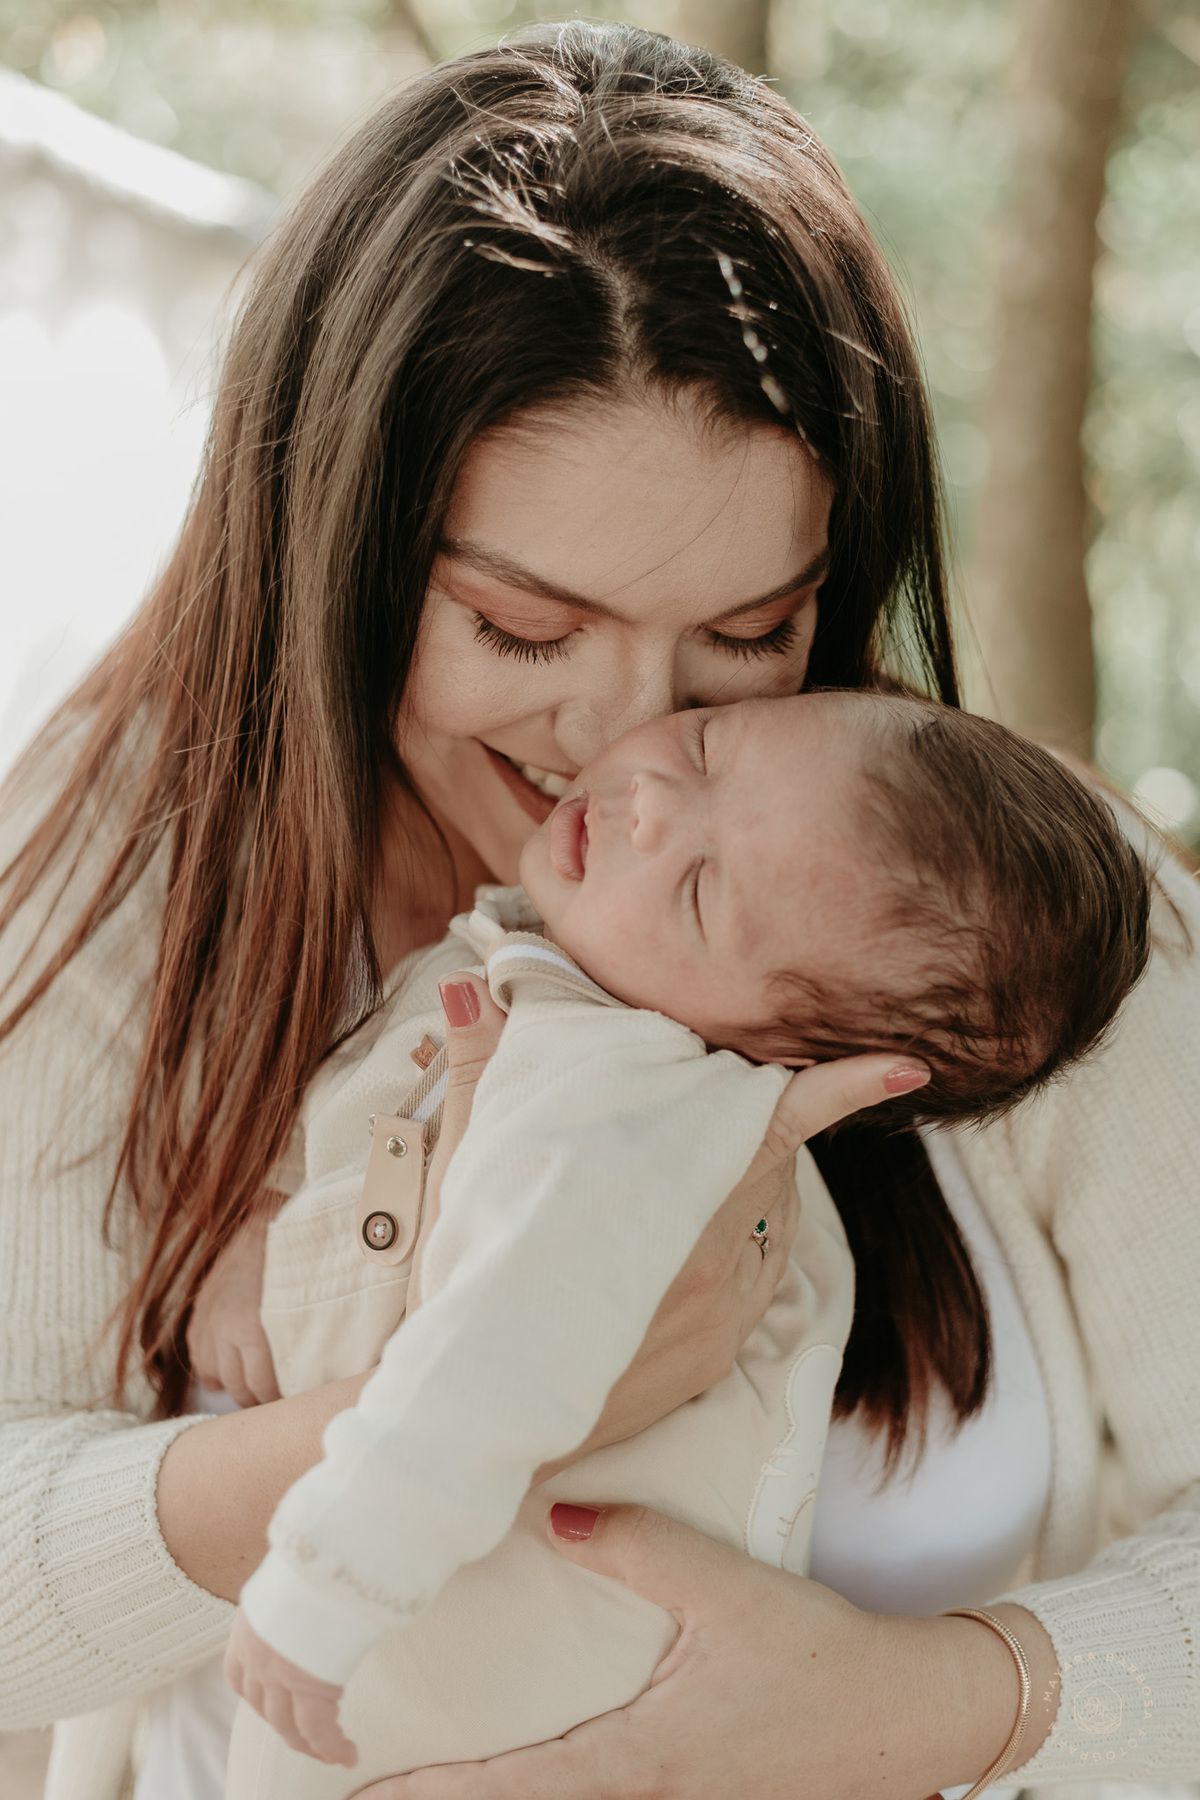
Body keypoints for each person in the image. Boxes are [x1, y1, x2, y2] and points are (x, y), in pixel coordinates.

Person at [0, 21, 1196, 1800]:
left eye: (749, 636)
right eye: (528, 635)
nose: (636, 742)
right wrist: (485, 1400)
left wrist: (929, 1708)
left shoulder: (990, 907)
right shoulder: (124, 884)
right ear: (334, 543)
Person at [217, 689, 1149, 1780]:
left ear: (788, 1056)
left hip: (503, 1701)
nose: (652, 806)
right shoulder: (550, 988)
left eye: (703, 894)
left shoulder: (622, 1104)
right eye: (709, 749)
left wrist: (326, 1583)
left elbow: (496, 1352)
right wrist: (264, 1234)